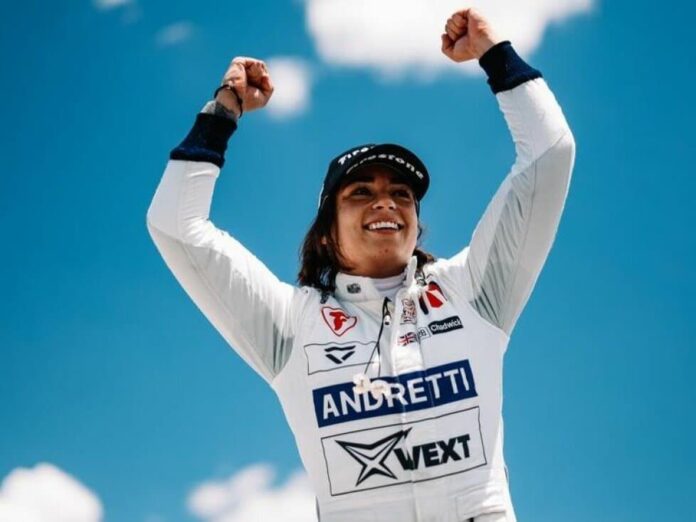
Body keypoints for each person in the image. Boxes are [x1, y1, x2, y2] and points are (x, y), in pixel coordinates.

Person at [147, 7, 575, 522]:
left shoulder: (473, 291)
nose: (386, 201)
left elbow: (550, 154)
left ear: (416, 224)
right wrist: (223, 112)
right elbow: (175, 226)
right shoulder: (291, 324)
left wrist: (495, 54)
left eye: (402, 194)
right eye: (361, 192)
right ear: (327, 232)